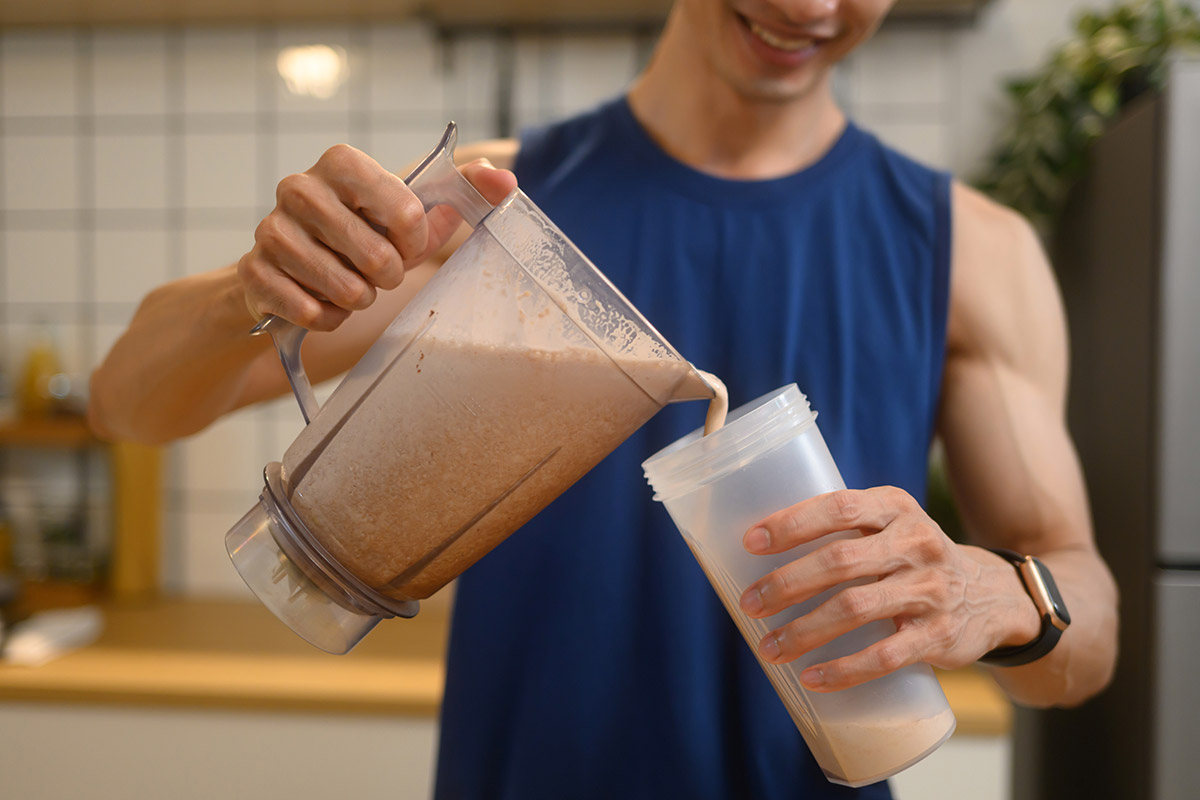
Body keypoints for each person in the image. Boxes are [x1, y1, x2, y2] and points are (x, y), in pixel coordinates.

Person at [89, 0, 1118, 797]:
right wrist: (247, 290)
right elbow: (128, 402)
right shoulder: (499, 211)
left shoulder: (972, 250)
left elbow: (1083, 646)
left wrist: (1007, 594)